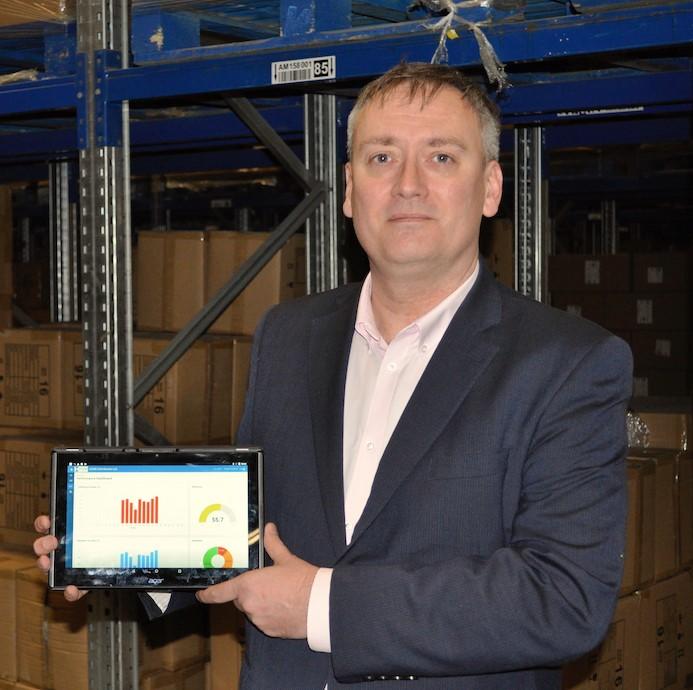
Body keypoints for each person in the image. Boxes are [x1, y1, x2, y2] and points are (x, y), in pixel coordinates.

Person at [35, 62, 632, 689]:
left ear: (489, 188)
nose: (407, 185)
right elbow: (254, 531)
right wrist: (119, 554)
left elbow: (564, 600)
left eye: (441, 158)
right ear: (349, 190)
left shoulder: (567, 364)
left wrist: (323, 605)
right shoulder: (290, 334)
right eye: (381, 158)